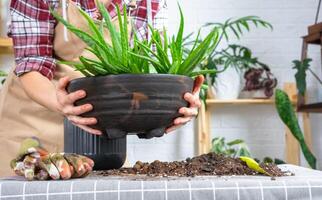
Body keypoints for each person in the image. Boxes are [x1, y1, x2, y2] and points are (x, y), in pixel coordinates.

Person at [0, 0, 204, 176]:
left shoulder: (148, 3)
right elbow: (32, 63)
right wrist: (61, 103)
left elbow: (146, 72)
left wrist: (173, 105)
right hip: (33, 119)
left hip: (100, 133)